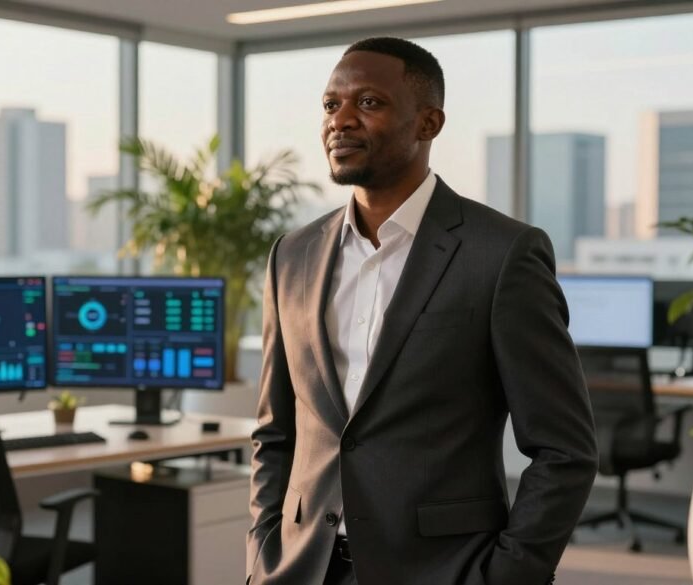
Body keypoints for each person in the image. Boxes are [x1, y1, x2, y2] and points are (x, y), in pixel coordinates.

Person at [247, 37, 598, 585]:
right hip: (300, 567)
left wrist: (508, 575)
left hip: (442, 569)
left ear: (428, 123)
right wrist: (262, 552)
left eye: (368, 103)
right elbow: (276, 432)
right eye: (329, 104)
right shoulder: (290, 256)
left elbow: (565, 450)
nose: (340, 121)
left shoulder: (502, 254)